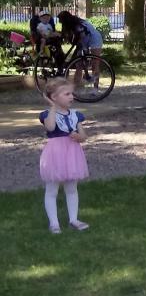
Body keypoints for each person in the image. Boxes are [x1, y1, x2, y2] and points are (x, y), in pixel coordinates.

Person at [39, 78, 90, 234]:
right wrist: (53, 107)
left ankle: (73, 219)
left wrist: (79, 137)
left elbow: (84, 136)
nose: (71, 97)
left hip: (72, 153)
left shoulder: (76, 115)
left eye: (71, 93)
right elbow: (50, 127)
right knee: (52, 189)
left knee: (72, 188)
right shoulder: (47, 114)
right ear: (54, 97)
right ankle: (54, 223)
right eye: (67, 94)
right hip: (55, 154)